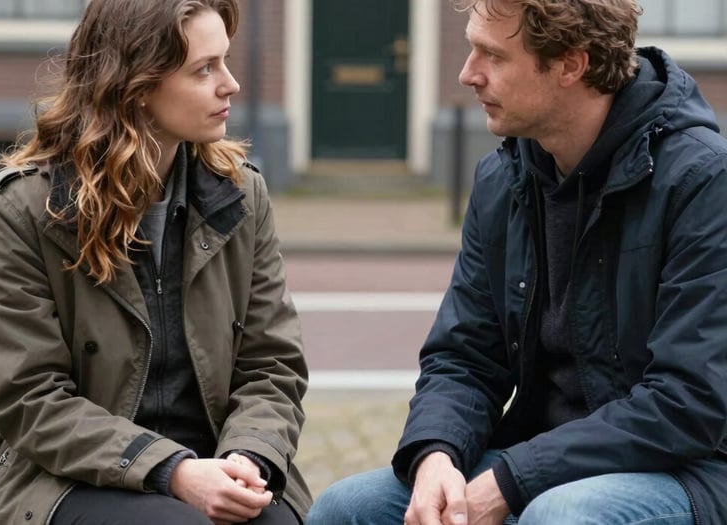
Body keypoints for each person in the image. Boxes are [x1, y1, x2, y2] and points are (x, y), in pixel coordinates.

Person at [306, 0, 727, 524]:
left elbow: (688, 402)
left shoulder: (702, 181)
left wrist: (512, 480)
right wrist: (436, 453)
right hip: (538, 458)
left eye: (492, 55)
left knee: (560, 516)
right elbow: (465, 358)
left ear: (571, 65)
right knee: (347, 508)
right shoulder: (503, 179)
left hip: (686, 470)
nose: (467, 74)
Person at [0, 0, 312, 524]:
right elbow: (31, 401)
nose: (231, 84)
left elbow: (272, 365)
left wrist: (248, 455)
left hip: (216, 457)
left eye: (226, 61)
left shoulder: (240, 196)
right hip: (62, 477)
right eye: (204, 69)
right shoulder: (25, 210)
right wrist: (172, 470)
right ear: (138, 86)